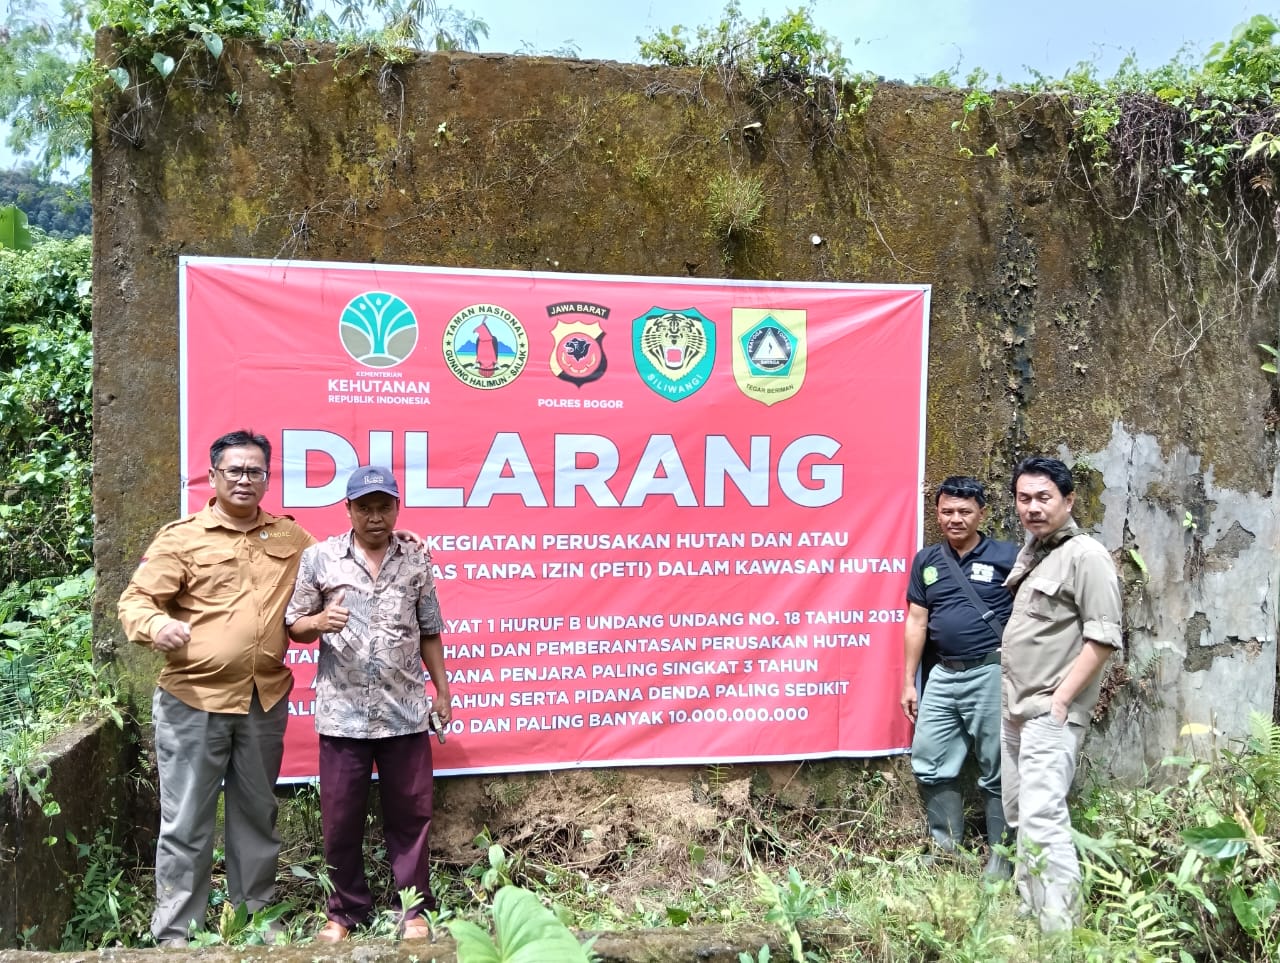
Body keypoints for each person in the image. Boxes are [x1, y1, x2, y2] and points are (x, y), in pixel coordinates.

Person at [118, 429, 314, 947]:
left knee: (257, 815)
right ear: (214, 475)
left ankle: (256, 921)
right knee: (187, 821)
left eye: (256, 471)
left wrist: (387, 542)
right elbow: (135, 601)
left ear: (268, 478)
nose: (246, 480)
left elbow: (331, 573)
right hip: (193, 700)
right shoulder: (182, 538)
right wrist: (158, 626)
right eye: (236, 471)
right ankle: (178, 932)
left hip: (262, 699)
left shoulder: (291, 538)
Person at [285, 465, 451, 944]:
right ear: (349, 509)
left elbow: (430, 630)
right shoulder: (319, 559)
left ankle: (413, 909)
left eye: (384, 507)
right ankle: (344, 910)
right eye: (365, 507)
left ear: (396, 508)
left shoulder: (416, 559)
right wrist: (318, 622)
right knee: (340, 819)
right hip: (342, 714)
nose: (375, 516)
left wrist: (442, 691)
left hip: (404, 711)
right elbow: (294, 624)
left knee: (411, 814)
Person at [1001, 456, 1122, 932]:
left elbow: (1103, 638)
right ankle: (1031, 917)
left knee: (1043, 819)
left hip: (1050, 712)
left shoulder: (1086, 555)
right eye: (1024, 498)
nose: (1032, 507)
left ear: (1068, 501)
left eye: (1043, 497)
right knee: (1021, 816)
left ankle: (1060, 933)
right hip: (1016, 708)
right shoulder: (1038, 551)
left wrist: (1061, 700)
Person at [901, 476, 1018, 876]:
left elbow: (1034, 612)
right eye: (947, 511)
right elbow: (917, 622)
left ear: (981, 513)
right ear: (937, 513)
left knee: (998, 765)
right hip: (942, 675)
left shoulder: (1008, 556)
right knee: (929, 760)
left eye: (965, 511)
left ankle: (1001, 857)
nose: (955, 519)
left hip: (990, 671)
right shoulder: (927, 561)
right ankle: (947, 848)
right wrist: (908, 680)